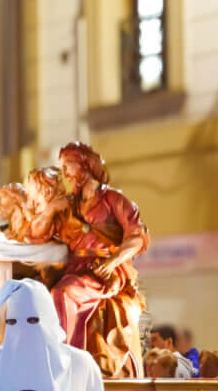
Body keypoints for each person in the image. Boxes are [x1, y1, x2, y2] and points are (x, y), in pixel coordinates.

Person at [51, 141, 149, 378]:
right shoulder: (70, 206)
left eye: (68, 165)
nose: (64, 173)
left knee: (63, 293)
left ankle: (69, 360)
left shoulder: (113, 200)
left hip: (103, 269)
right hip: (74, 267)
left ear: (85, 164)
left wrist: (113, 261)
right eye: (62, 167)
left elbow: (137, 237)